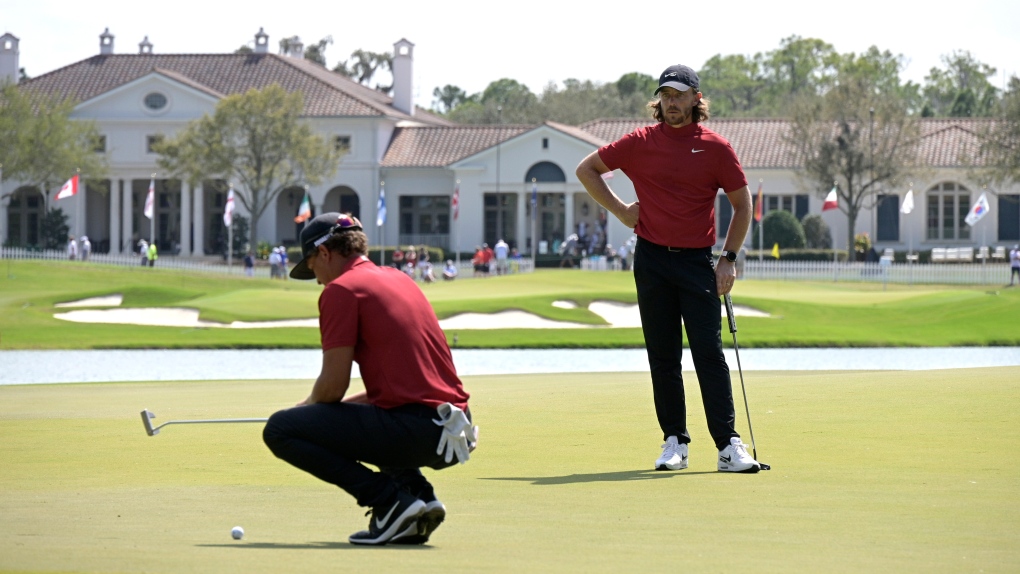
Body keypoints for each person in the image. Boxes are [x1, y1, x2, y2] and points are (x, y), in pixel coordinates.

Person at [575, 64, 760, 473]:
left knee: (708, 354)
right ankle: (674, 441)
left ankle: (729, 445)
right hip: (653, 259)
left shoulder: (715, 147)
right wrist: (623, 211)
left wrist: (728, 258)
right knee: (663, 355)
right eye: (665, 95)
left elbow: (742, 204)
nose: (671, 102)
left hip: (698, 261)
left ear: (696, 98)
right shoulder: (640, 142)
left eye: (679, 95)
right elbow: (586, 169)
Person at [262, 212, 475, 546]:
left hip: (418, 430)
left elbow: (332, 387)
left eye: (313, 267)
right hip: (455, 431)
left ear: (325, 253)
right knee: (359, 419)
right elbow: (400, 390)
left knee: (280, 429)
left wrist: (305, 411)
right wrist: (324, 415)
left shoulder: (341, 291)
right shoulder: (398, 278)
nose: (317, 280)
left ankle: (388, 503)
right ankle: (418, 497)